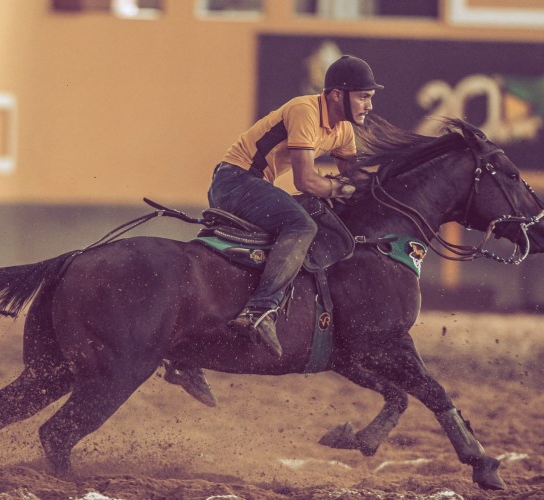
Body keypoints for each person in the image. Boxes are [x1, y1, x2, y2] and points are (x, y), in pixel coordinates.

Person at [165, 55, 384, 405]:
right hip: (235, 181)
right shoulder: (304, 110)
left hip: (253, 184)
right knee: (301, 225)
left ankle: (184, 355)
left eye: (369, 97)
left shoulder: (344, 130)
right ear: (336, 95)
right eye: (363, 96)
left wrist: (378, 184)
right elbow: (306, 181)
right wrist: (341, 188)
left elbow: (353, 179)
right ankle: (261, 309)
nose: (369, 105)